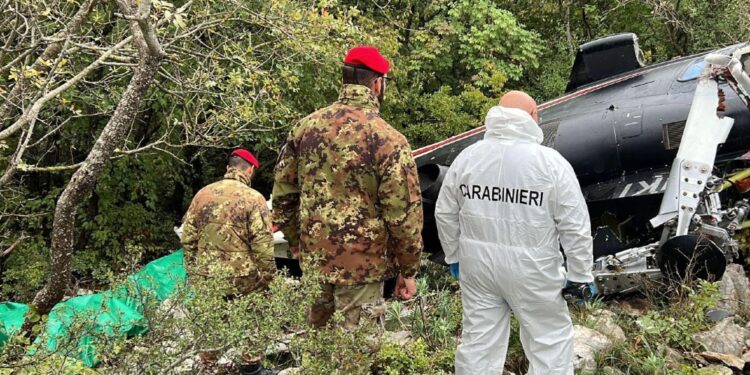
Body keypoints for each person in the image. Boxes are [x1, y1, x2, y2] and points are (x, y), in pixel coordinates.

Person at [435, 91, 595, 375]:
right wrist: (580, 275)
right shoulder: (550, 163)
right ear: (532, 116)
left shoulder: (468, 158)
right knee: (550, 342)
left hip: (478, 268)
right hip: (534, 271)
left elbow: (445, 213)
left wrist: (455, 257)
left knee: (479, 346)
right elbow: (574, 225)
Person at [273, 46, 423, 330]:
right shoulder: (388, 139)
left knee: (318, 350)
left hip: (315, 261)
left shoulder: (305, 128)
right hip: (363, 268)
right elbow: (402, 214)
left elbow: (283, 196)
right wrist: (408, 269)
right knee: (358, 354)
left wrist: (297, 244)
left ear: (344, 81)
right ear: (378, 84)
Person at [181, 149, 276, 375]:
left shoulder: (202, 194)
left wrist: (193, 272)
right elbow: (262, 243)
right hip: (244, 278)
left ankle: (208, 366)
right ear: (250, 169)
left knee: (211, 320)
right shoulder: (254, 198)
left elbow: (188, 238)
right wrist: (269, 277)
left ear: (228, 167)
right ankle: (251, 367)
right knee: (254, 317)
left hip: (208, 276)